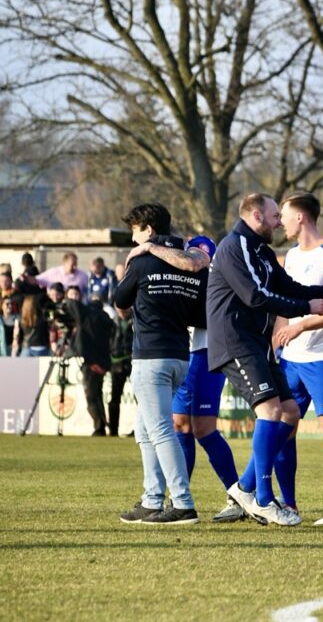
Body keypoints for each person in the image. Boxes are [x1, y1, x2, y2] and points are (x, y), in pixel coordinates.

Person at [207, 193, 323, 527]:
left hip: (256, 343)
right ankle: (262, 499)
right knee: (270, 411)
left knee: (291, 413)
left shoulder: (262, 251)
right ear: (256, 215)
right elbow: (256, 296)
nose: (279, 221)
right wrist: (304, 310)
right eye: (274, 216)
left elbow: (288, 286)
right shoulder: (235, 245)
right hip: (235, 342)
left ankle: (244, 489)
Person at [137, 236, 242, 522]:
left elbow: (209, 315)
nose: (196, 260)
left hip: (207, 353)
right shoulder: (180, 272)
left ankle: (238, 495)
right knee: (180, 424)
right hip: (188, 352)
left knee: (204, 428)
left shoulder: (211, 274)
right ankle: (178, 498)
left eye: (202, 256)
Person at [114, 203, 206, 525]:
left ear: (148, 230)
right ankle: (152, 499)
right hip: (181, 356)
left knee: (161, 430)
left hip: (150, 358)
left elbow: (120, 301)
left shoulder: (141, 262)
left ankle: (182, 504)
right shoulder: (192, 262)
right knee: (145, 429)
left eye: (135, 231)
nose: (133, 239)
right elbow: (200, 314)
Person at [272, 192, 323, 525]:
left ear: (301, 217)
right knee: (282, 424)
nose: (280, 221)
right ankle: (288, 505)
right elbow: (285, 305)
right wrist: (276, 341)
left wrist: (304, 325)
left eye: (284, 214)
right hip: (290, 358)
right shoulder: (289, 257)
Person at [64, 288, 114, 436]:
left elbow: (72, 305)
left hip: (91, 361)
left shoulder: (86, 314)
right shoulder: (105, 317)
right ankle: (103, 424)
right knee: (97, 394)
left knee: (91, 395)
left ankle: (99, 427)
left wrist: (68, 300)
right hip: (103, 361)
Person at [108, 307, 133, 437]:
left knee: (141, 399)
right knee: (114, 399)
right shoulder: (112, 323)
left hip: (133, 362)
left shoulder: (136, 321)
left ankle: (140, 430)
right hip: (117, 363)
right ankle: (113, 430)